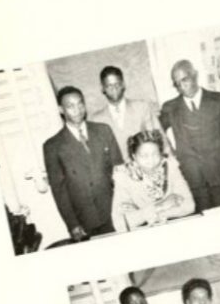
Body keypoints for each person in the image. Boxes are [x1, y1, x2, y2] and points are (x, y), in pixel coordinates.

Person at [159, 60, 220, 212]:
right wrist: (170, 156)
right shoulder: (170, 108)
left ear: (195, 76)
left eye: (184, 79)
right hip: (192, 180)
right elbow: (156, 133)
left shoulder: (218, 100)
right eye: (177, 83)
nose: (181, 87)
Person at [43, 86, 123, 241]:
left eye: (80, 104)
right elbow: (59, 192)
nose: (77, 110)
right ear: (61, 109)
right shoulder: (53, 146)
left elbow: (119, 171)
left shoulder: (103, 131)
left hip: (116, 209)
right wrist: (72, 224)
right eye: (70, 106)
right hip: (86, 219)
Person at [110, 129, 195, 231]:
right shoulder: (123, 176)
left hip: (174, 227)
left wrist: (146, 215)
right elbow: (119, 223)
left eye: (155, 154)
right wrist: (161, 206)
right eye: (144, 156)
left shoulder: (170, 166)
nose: (151, 160)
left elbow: (190, 205)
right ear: (134, 156)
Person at [91, 65, 162, 161]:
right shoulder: (96, 119)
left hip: (146, 167)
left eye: (117, 84)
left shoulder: (142, 107)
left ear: (123, 84)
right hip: (116, 173)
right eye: (109, 85)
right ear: (102, 88)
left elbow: (159, 139)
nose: (114, 89)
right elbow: (98, 155)